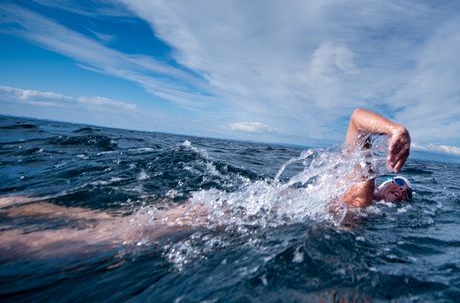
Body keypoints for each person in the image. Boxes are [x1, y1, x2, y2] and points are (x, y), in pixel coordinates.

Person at [0, 108, 412, 256]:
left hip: (226, 212)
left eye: (404, 192)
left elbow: (360, 134)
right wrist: (394, 129)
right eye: (400, 182)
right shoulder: (355, 191)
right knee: (100, 236)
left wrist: (391, 135)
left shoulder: (358, 204)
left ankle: (13, 207)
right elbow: (359, 119)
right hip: (224, 217)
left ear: (395, 203)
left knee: (101, 224)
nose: (399, 187)